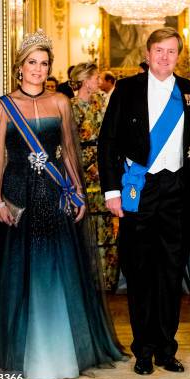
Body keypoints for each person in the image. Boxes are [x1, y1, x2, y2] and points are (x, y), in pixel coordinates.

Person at [0, 29, 125, 379]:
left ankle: (60, 353)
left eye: (44, 64)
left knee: (57, 272)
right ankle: (24, 353)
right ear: (20, 68)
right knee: (19, 273)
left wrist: (78, 194)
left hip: (54, 197)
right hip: (18, 196)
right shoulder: (4, 105)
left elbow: (69, 152)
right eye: (32, 63)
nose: (38, 70)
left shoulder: (60, 103)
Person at [98, 27, 190, 376]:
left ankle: (166, 347)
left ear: (179, 56)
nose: (165, 57)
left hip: (178, 191)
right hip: (138, 189)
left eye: (171, 51)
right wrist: (111, 191)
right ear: (148, 54)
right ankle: (143, 350)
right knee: (140, 270)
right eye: (159, 51)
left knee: (171, 271)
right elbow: (108, 143)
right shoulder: (127, 89)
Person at [70, 62, 120, 292]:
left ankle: (107, 279)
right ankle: (85, 279)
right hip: (81, 169)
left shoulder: (102, 100)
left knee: (106, 222)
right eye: (95, 77)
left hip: (104, 166)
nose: (99, 80)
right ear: (85, 79)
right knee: (85, 223)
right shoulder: (70, 107)